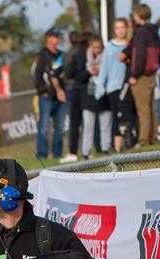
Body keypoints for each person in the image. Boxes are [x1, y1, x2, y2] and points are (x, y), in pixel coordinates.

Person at [127, 5, 160, 147]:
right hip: (152, 73)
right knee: (151, 108)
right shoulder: (154, 30)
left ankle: (143, 140)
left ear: (138, 15)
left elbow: (140, 55)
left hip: (142, 74)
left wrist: (135, 74)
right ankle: (153, 137)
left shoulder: (141, 32)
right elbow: (159, 53)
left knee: (143, 109)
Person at [95, 18, 131, 152]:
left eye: (122, 27)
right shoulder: (109, 47)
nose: (120, 30)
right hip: (113, 88)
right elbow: (104, 69)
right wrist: (100, 87)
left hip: (127, 86)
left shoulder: (130, 45)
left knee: (128, 116)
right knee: (117, 117)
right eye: (117, 28)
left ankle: (130, 143)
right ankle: (117, 148)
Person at [33, 28, 68, 160]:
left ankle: (57, 153)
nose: (57, 39)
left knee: (60, 127)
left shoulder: (60, 55)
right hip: (46, 97)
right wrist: (43, 91)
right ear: (48, 38)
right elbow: (36, 74)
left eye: (58, 37)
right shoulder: (42, 55)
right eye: (55, 37)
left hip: (60, 96)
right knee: (44, 127)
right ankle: (42, 154)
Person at [79, 35, 112, 159]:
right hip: (88, 97)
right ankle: (85, 152)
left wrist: (102, 72)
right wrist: (89, 72)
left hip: (104, 96)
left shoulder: (107, 57)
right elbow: (77, 77)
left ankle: (105, 149)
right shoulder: (83, 57)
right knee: (88, 126)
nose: (97, 50)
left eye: (99, 48)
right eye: (95, 48)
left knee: (105, 124)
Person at [62, 32, 88, 162]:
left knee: (74, 122)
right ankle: (86, 150)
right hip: (84, 89)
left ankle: (73, 151)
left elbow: (64, 73)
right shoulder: (86, 53)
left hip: (72, 89)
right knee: (87, 122)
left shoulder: (67, 55)